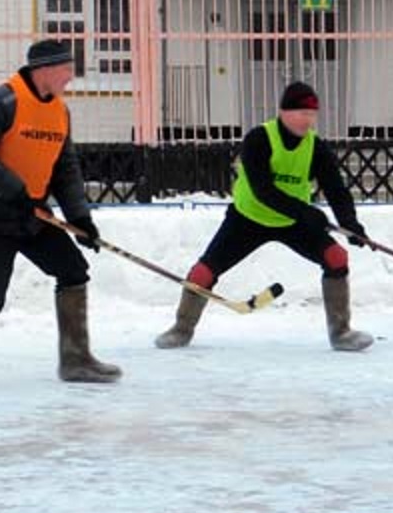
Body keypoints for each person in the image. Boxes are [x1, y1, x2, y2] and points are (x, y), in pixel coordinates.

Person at [0, 39, 121, 388]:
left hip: (32, 215)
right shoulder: (3, 101)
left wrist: (79, 218)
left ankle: (76, 360)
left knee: (73, 271)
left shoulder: (60, 111)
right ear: (43, 69)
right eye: (66, 69)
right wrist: (13, 189)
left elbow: (65, 168)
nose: (71, 77)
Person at [155, 81, 373, 352]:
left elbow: (336, 189)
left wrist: (350, 224)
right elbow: (263, 191)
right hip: (248, 218)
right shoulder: (259, 138)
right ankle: (181, 329)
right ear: (284, 112)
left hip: (292, 222)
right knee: (201, 273)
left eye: (313, 114)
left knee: (336, 257)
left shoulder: (316, 147)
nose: (308, 120)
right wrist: (306, 212)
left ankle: (341, 332)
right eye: (302, 113)